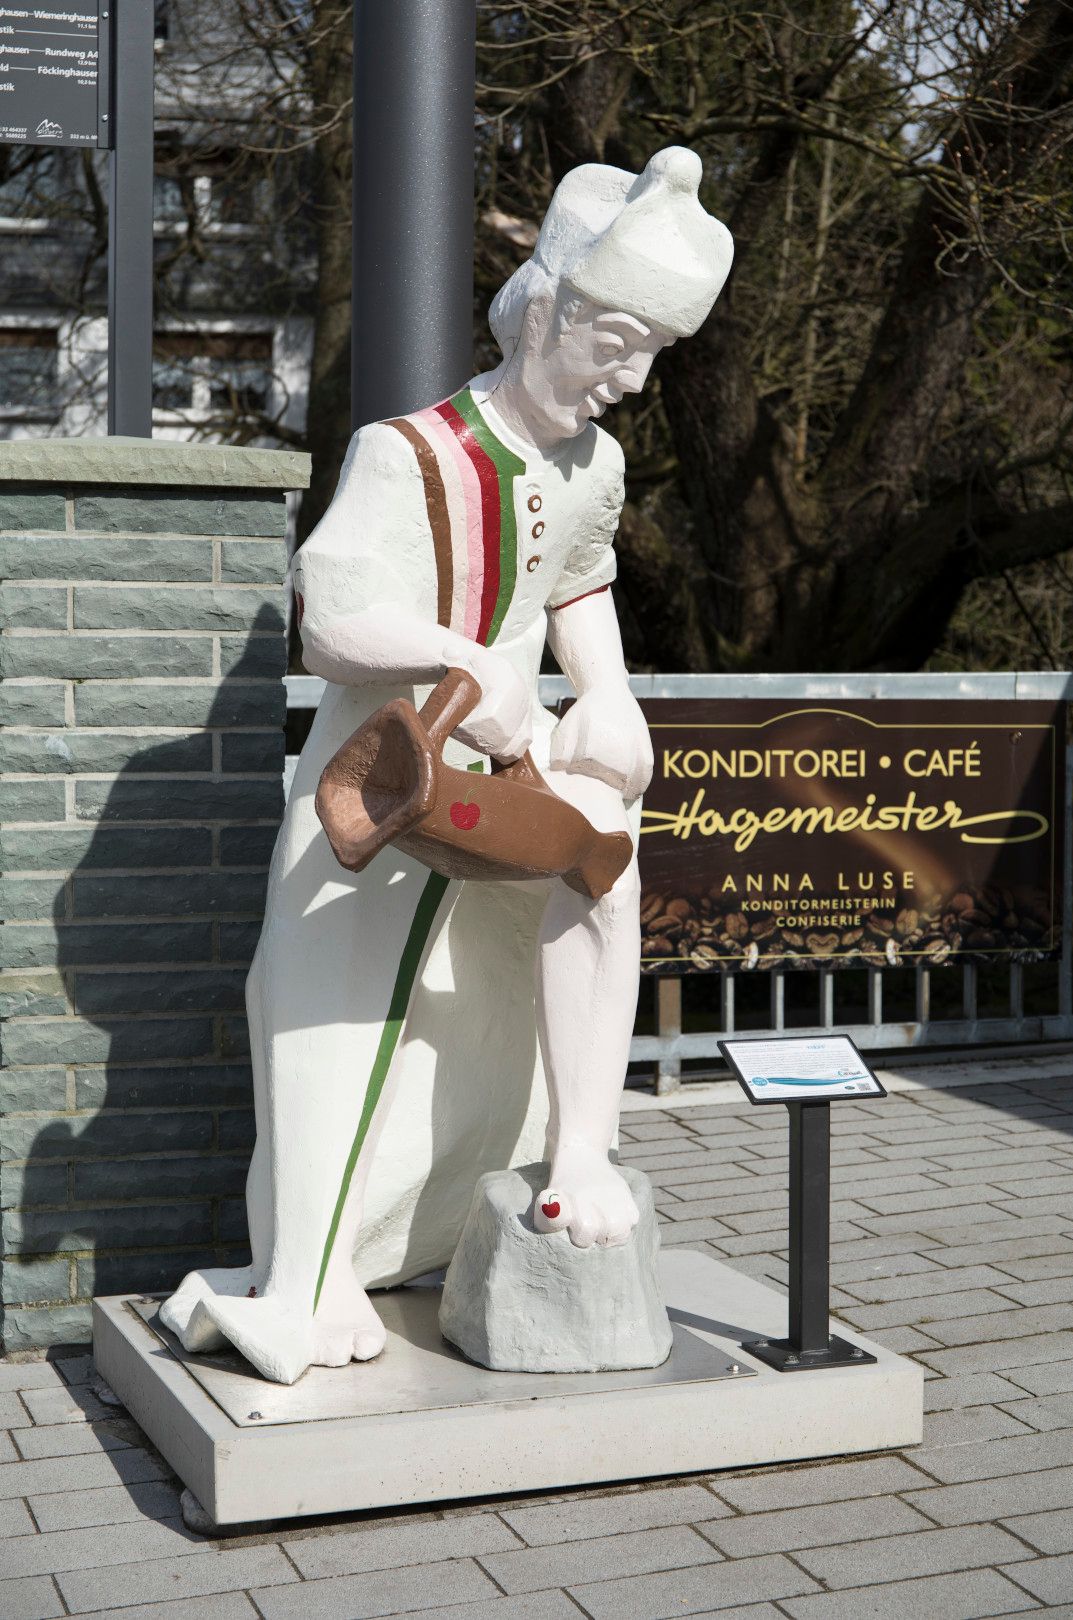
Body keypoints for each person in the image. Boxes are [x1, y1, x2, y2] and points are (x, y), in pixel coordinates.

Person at [162, 146, 733, 1382]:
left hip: (508, 775)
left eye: (652, 356)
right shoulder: (404, 452)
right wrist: (462, 667)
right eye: (614, 343)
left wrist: (615, 695)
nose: (630, 380)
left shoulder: (597, 465)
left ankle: (579, 1152)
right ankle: (305, 1285)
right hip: (381, 780)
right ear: (547, 309)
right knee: (336, 1024)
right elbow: (328, 617)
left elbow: (579, 575)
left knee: (603, 864)